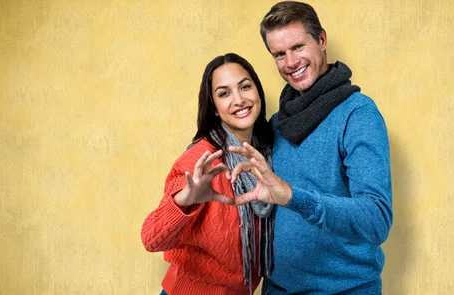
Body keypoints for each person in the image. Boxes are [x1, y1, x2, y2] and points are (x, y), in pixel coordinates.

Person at [228, 1, 393, 294]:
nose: (291, 62)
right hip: (277, 289)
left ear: (322, 40)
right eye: (279, 54)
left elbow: (376, 219)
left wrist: (293, 197)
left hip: (345, 289)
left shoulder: (358, 115)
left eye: (298, 47)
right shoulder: (277, 123)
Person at [141, 53, 275, 295]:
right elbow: (151, 239)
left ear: (258, 92)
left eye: (245, 87)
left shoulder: (267, 154)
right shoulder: (202, 160)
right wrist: (185, 200)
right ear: (213, 107)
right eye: (224, 93)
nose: (239, 100)